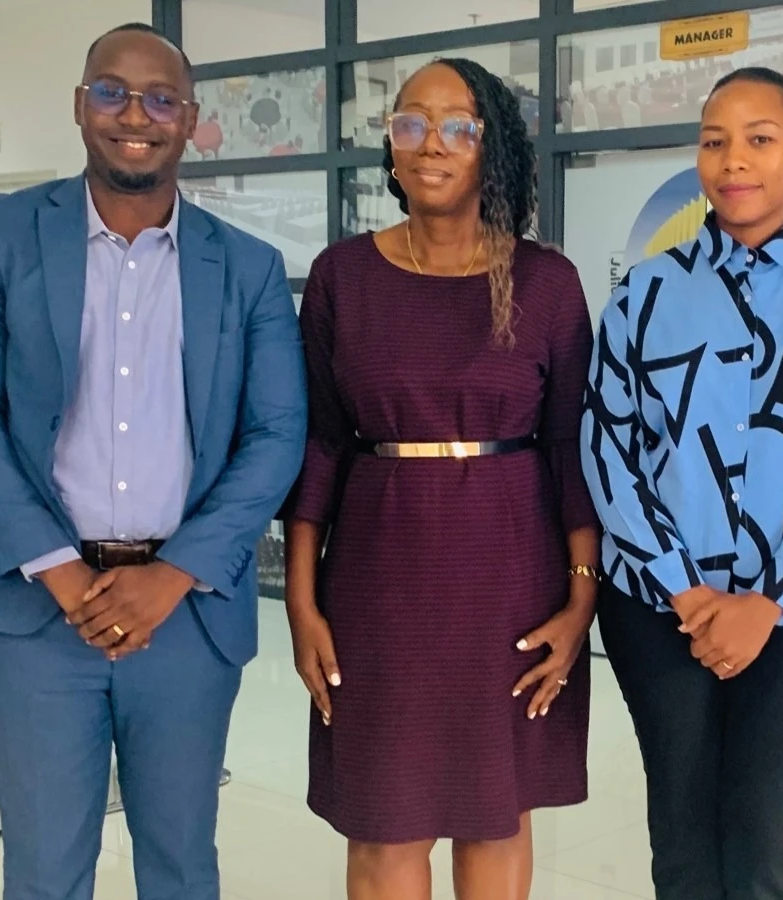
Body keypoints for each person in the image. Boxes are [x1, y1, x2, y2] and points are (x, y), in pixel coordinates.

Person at [0, 23, 307, 900]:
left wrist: (174, 575)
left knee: (180, 864)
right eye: (112, 92)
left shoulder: (246, 268)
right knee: (47, 870)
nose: (136, 114)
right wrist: (58, 570)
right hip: (34, 617)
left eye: (161, 98)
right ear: (79, 104)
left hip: (186, 618)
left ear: (191, 120)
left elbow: (277, 433)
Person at [282, 58, 599, 900]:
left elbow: (572, 453)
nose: (433, 144)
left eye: (458, 125)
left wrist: (581, 601)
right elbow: (319, 445)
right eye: (411, 122)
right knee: (385, 822)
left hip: (511, 589)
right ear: (389, 143)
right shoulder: (342, 277)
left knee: (496, 815)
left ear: (490, 146)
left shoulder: (547, 282)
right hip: (378, 592)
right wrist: (301, 599)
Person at [582, 67, 783, 900]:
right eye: (715, 141)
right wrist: (686, 592)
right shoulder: (642, 296)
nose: (734, 160)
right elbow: (609, 450)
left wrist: (769, 600)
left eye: (759, 140)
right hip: (660, 611)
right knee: (683, 841)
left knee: (771, 842)